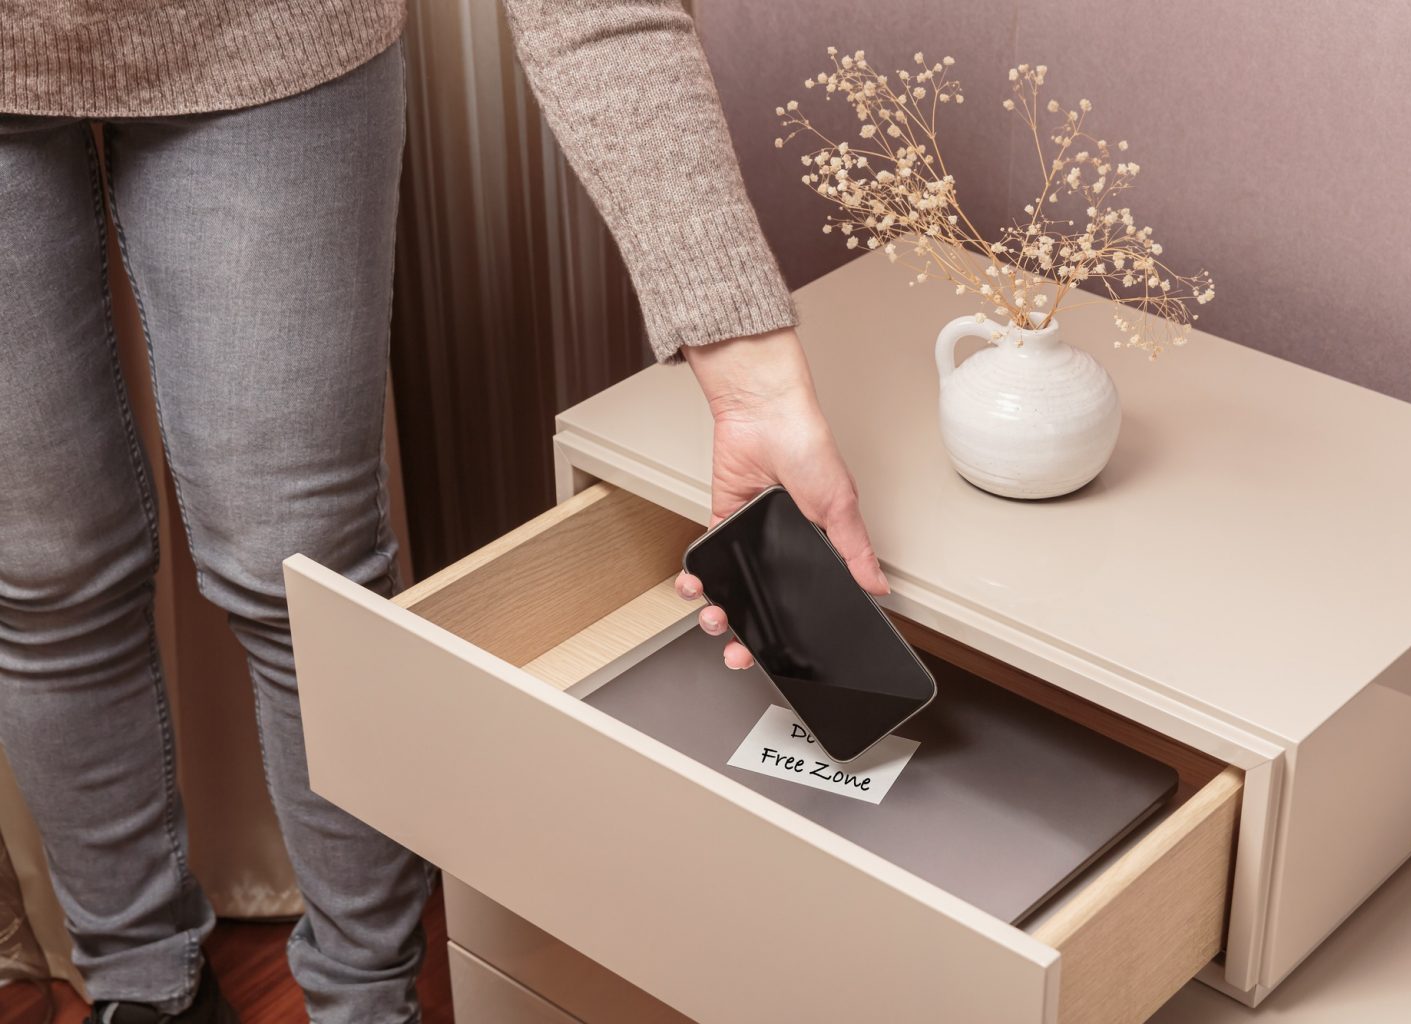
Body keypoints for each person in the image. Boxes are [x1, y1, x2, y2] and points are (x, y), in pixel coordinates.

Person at [0, 1, 886, 1021]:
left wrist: (753, 377)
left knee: (306, 579)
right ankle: (142, 989)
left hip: (271, 39)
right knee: (44, 577)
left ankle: (367, 1000)